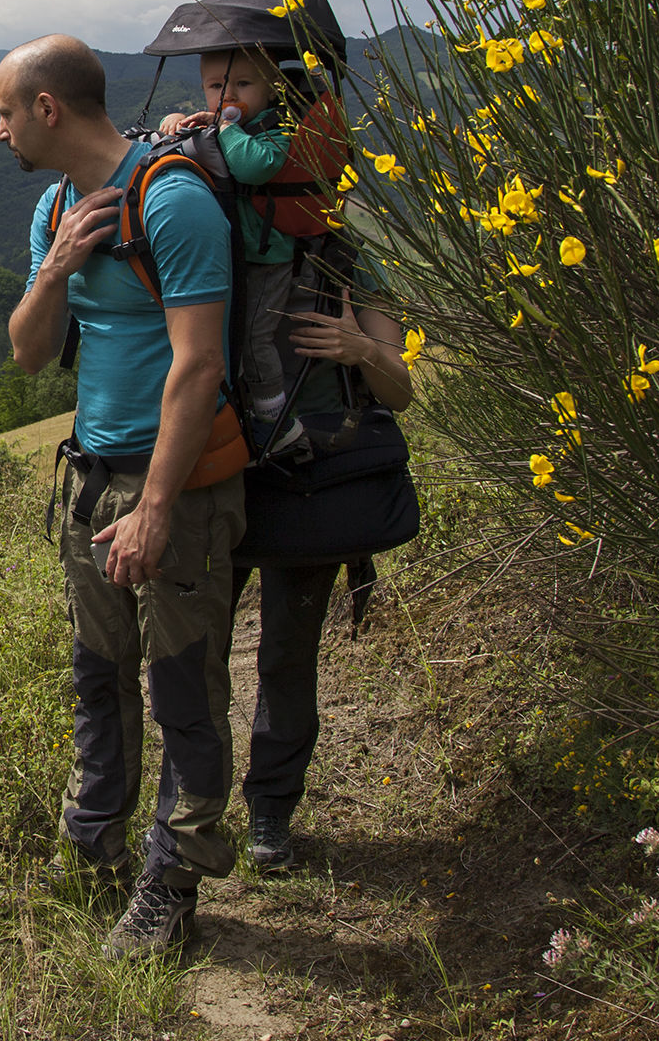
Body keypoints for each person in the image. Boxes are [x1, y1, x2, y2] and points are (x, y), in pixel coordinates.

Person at [0, 33, 244, 958]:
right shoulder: (58, 209)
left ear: (47, 110)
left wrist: (156, 507)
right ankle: (94, 848)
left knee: (183, 689)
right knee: (98, 681)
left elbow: (199, 363)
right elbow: (26, 354)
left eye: (6, 112)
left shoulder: (173, 201)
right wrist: (57, 264)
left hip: (173, 491)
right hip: (91, 481)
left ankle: (173, 886)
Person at [232, 242, 415, 874]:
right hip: (221, 469)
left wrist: (361, 350)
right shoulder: (212, 222)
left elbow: (399, 391)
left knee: (284, 648)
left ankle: (267, 812)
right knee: (209, 651)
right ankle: (206, 810)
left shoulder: (345, 257)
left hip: (312, 477)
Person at [158, 47, 304, 457]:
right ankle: (236, 409)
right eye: (216, 86)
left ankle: (275, 419)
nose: (228, 94)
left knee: (256, 339)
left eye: (243, 84)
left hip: (267, 256)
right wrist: (177, 124)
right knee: (225, 338)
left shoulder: (276, 128)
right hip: (233, 254)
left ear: (272, 90)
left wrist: (223, 127)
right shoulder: (227, 124)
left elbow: (254, 167)